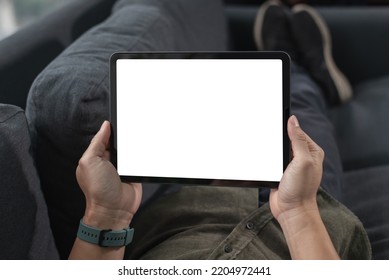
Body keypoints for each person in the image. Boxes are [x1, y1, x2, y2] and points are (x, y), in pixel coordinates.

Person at [69, 0, 371, 260]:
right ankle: (305, 68)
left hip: (187, 216)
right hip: (301, 228)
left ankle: (290, 61)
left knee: (255, 111)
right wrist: (299, 210)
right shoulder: (301, 208)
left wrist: (106, 213)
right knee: (298, 110)